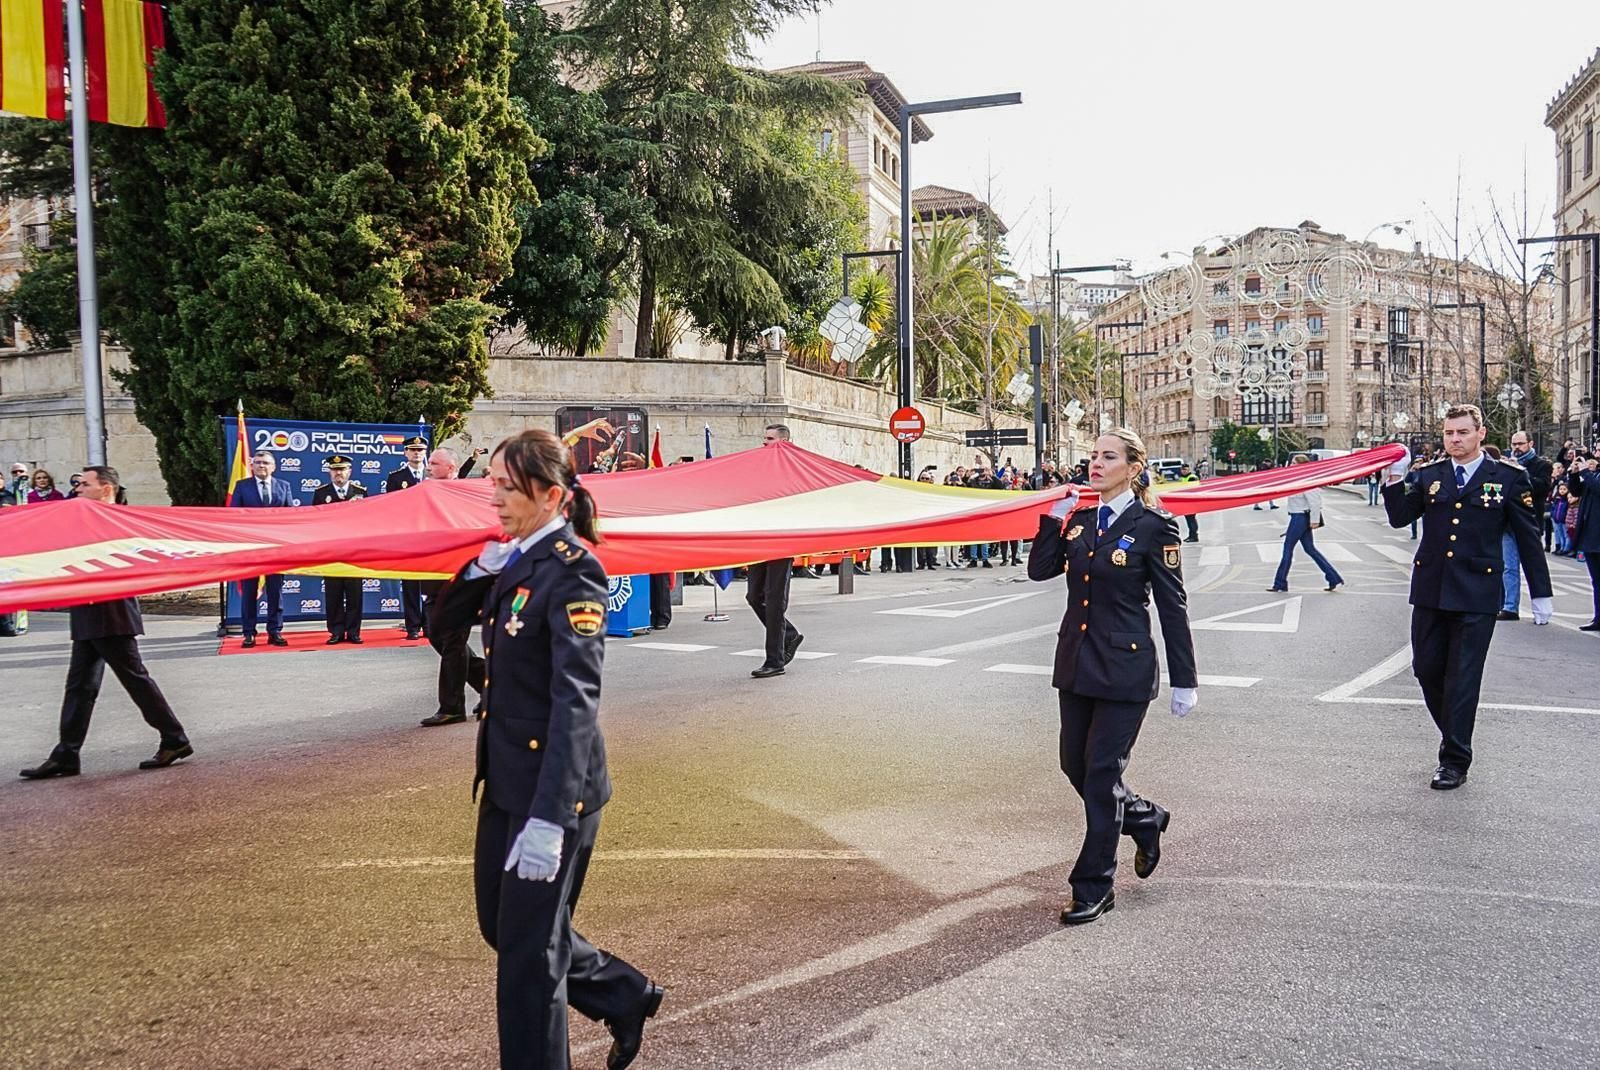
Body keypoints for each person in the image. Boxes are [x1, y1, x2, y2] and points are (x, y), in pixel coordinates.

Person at [427, 429, 663, 1070]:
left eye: (508, 486)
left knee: (530, 958)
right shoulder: (515, 561)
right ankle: (623, 993)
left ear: (551, 494)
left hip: (557, 791)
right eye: (494, 483)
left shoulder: (573, 571)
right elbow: (441, 632)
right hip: (506, 778)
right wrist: (479, 570)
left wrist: (552, 819)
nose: (495, 497)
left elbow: (576, 702)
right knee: (503, 929)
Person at [1027, 428, 1198, 926]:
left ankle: (1094, 885)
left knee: (1102, 774)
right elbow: (1041, 572)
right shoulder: (1080, 521)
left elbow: (1173, 606)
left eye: (1107, 457)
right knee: (1073, 767)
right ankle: (1145, 819)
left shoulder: (1154, 526)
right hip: (1077, 662)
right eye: (1092, 456)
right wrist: (1050, 522)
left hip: (1125, 668)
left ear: (1133, 467)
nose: (1095, 464)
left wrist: (1185, 678)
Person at [1381, 404, 1552, 790]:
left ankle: (1454, 760)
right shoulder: (1430, 475)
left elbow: (1528, 537)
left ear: (1480, 434)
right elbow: (1400, 518)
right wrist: (1392, 480)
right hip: (1431, 590)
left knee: (1463, 678)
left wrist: (1540, 593)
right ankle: (1454, 734)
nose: (1454, 440)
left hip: (1477, 594)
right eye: (1448, 433)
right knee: (1426, 671)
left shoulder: (1508, 477)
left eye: (1461, 432)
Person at [20, 466, 194, 780]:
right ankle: (66, 754)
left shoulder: (120, 520)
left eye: (84, 484)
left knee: (134, 679)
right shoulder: (81, 519)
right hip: (87, 611)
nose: (77, 489)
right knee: (80, 686)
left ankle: (174, 738)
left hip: (111, 613)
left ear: (106, 488)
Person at [421, 447, 487, 727]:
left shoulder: (464, 494)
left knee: (451, 642)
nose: (428, 467)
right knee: (435, 634)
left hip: (460, 582)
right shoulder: (425, 494)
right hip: (434, 577)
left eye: (434, 463)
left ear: (451, 467)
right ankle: (494, 685)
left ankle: (451, 707)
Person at [745, 425, 804, 678]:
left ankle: (775, 660)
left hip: (781, 540)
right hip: (760, 539)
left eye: (769, 439)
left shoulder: (794, 468)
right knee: (754, 596)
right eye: (764, 438)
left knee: (774, 600)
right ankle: (789, 635)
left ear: (784, 442)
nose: (764, 443)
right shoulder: (760, 468)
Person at [229, 450, 293, 647]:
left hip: (276, 549)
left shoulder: (284, 486)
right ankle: (249, 632)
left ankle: (275, 631)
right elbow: (234, 516)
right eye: (257, 463)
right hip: (251, 548)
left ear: (273, 466)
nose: (261, 466)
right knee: (249, 592)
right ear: (251, 466)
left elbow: (291, 517)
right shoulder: (242, 487)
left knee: (275, 592)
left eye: (265, 463)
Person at [1267, 455, 1344, 593]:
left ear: (1301, 465)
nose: (1290, 465)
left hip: (1301, 517)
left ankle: (1280, 583)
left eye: (1293, 463)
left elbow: (1315, 502)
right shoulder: (1296, 480)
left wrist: (1314, 521)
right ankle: (1333, 578)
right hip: (1298, 517)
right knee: (1310, 550)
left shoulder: (1308, 481)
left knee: (1288, 548)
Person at [311, 455, 368, 645]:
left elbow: (368, 522)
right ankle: (336, 631)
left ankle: (353, 631)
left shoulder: (360, 492)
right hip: (331, 553)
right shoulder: (321, 494)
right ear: (329, 472)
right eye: (335, 470)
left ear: (349, 471)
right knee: (333, 594)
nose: (338, 473)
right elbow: (315, 524)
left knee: (354, 595)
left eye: (342, 469)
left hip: (354, 553)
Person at [1497, 430, 1553, 622]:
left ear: (1530, 444)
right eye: (1513, 444)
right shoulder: (1506, 465)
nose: (1516, 448)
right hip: (1508, 523)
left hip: (1530, 523)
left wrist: (1521, 470)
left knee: (1533, 566)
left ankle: (1541, 609)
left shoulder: (1542, 465)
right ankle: (1510, 607)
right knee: (1508, 567)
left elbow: (1542, 487)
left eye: (1520, 444)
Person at [386, 436, 431, 639]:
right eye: (412, 450)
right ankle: (413, 626)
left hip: (432, 538)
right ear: (405, 453)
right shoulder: (396, 478)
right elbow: (392, 509)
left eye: (420, 450)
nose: (417, 453)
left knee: (431, 585)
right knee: (411, 584)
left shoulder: (432, 476)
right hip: (409, 538)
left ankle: (430, 625)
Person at [1562, 455, 1600, 630]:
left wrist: (1586, 472)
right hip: (1591, 535)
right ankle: (1598, 617)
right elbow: (1577, 492)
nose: (1597, 454)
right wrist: (1575, 474)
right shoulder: (1594, 473)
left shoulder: (1593, 475)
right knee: (1596, 580)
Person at [1177, 463, 1200, 542]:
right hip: (1185, 501)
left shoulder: (1192, 477)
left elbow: (1192, 489)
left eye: (1185, 470)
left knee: (1191, 519)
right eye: (1183, 470)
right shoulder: (1182, 478)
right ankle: (1191, 535)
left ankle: (1194, 536)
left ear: (1188, 470)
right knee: (1188, 519)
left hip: (1191, 501)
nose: (1184, 471)